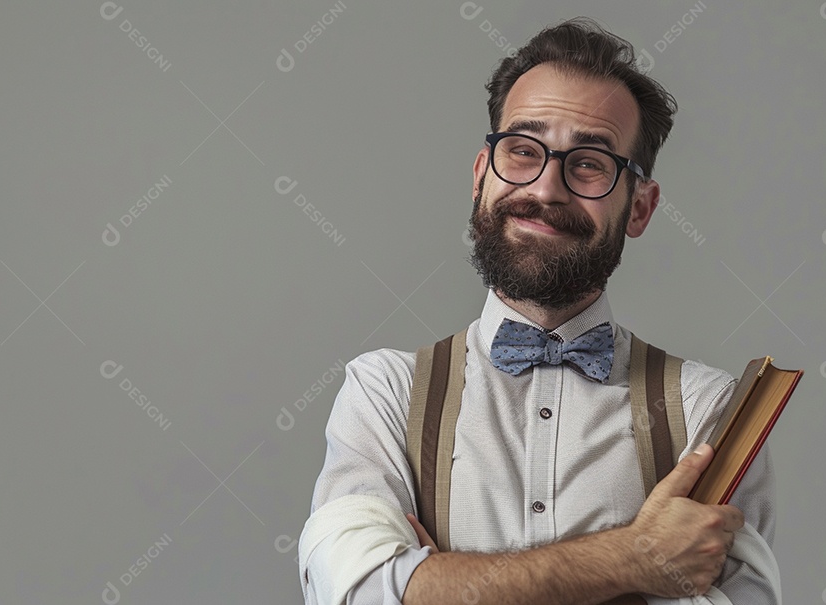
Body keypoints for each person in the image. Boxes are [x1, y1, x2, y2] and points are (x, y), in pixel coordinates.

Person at [298, 17, 780, 605]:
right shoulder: (385, 395)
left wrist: (438, 582)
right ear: (481, 177)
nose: (547, 189)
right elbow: (354, 593)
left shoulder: (711, 412)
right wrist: (635, 561)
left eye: (588, 164)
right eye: (523, 152)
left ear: (640, 208)